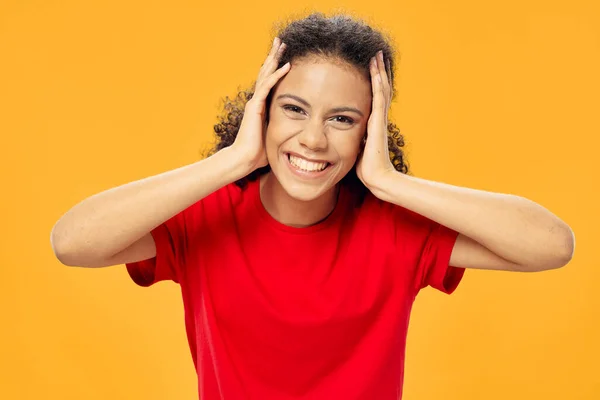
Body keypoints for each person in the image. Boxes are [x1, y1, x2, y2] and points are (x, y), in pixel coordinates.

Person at [50, 12, 575, 400]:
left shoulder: (394, 230)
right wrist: (234, 160)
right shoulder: (206, 219)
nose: (314, 140)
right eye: (293, 110)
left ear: (370, 131)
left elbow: (551, 246)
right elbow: (72, 242)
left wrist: (387, 182)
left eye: (343, 119)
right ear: (261, 113)